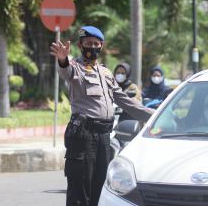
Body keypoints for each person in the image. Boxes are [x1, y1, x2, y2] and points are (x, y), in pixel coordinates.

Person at [50, 26, 154, 206]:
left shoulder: (105, 72)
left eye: (95, 43)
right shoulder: (76, 67)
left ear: (101, 46)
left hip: (104, 136)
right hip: (83, 136)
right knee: (80, 187)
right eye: (88, 43)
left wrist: (155, 116)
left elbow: (123, 100)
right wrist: (62, 60)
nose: (92, 47)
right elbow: (66, 72)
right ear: (81, 46)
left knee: (101, 186)